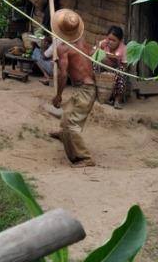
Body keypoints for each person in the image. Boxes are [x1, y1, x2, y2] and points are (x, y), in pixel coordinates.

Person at [48, 9, 96, 168]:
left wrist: (58, 96)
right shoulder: (82, 41)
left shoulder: (63, 48)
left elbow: (62, 75)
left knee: (71, 124)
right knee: (68, 112)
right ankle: (63, 135)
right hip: (87, 87)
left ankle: (85, 158)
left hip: (86, 89)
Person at [97, 25, 128, 109]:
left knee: (122, 71)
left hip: (116, 70)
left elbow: (124, 66)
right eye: (109, 39)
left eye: (113, 40)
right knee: (95, 64)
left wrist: (114, 61)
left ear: (120, 41)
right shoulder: (103, 43)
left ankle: (118, 99)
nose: (110, 42)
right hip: (103, 68)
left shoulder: (123, 49)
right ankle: (96, 93)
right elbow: (95, 54)